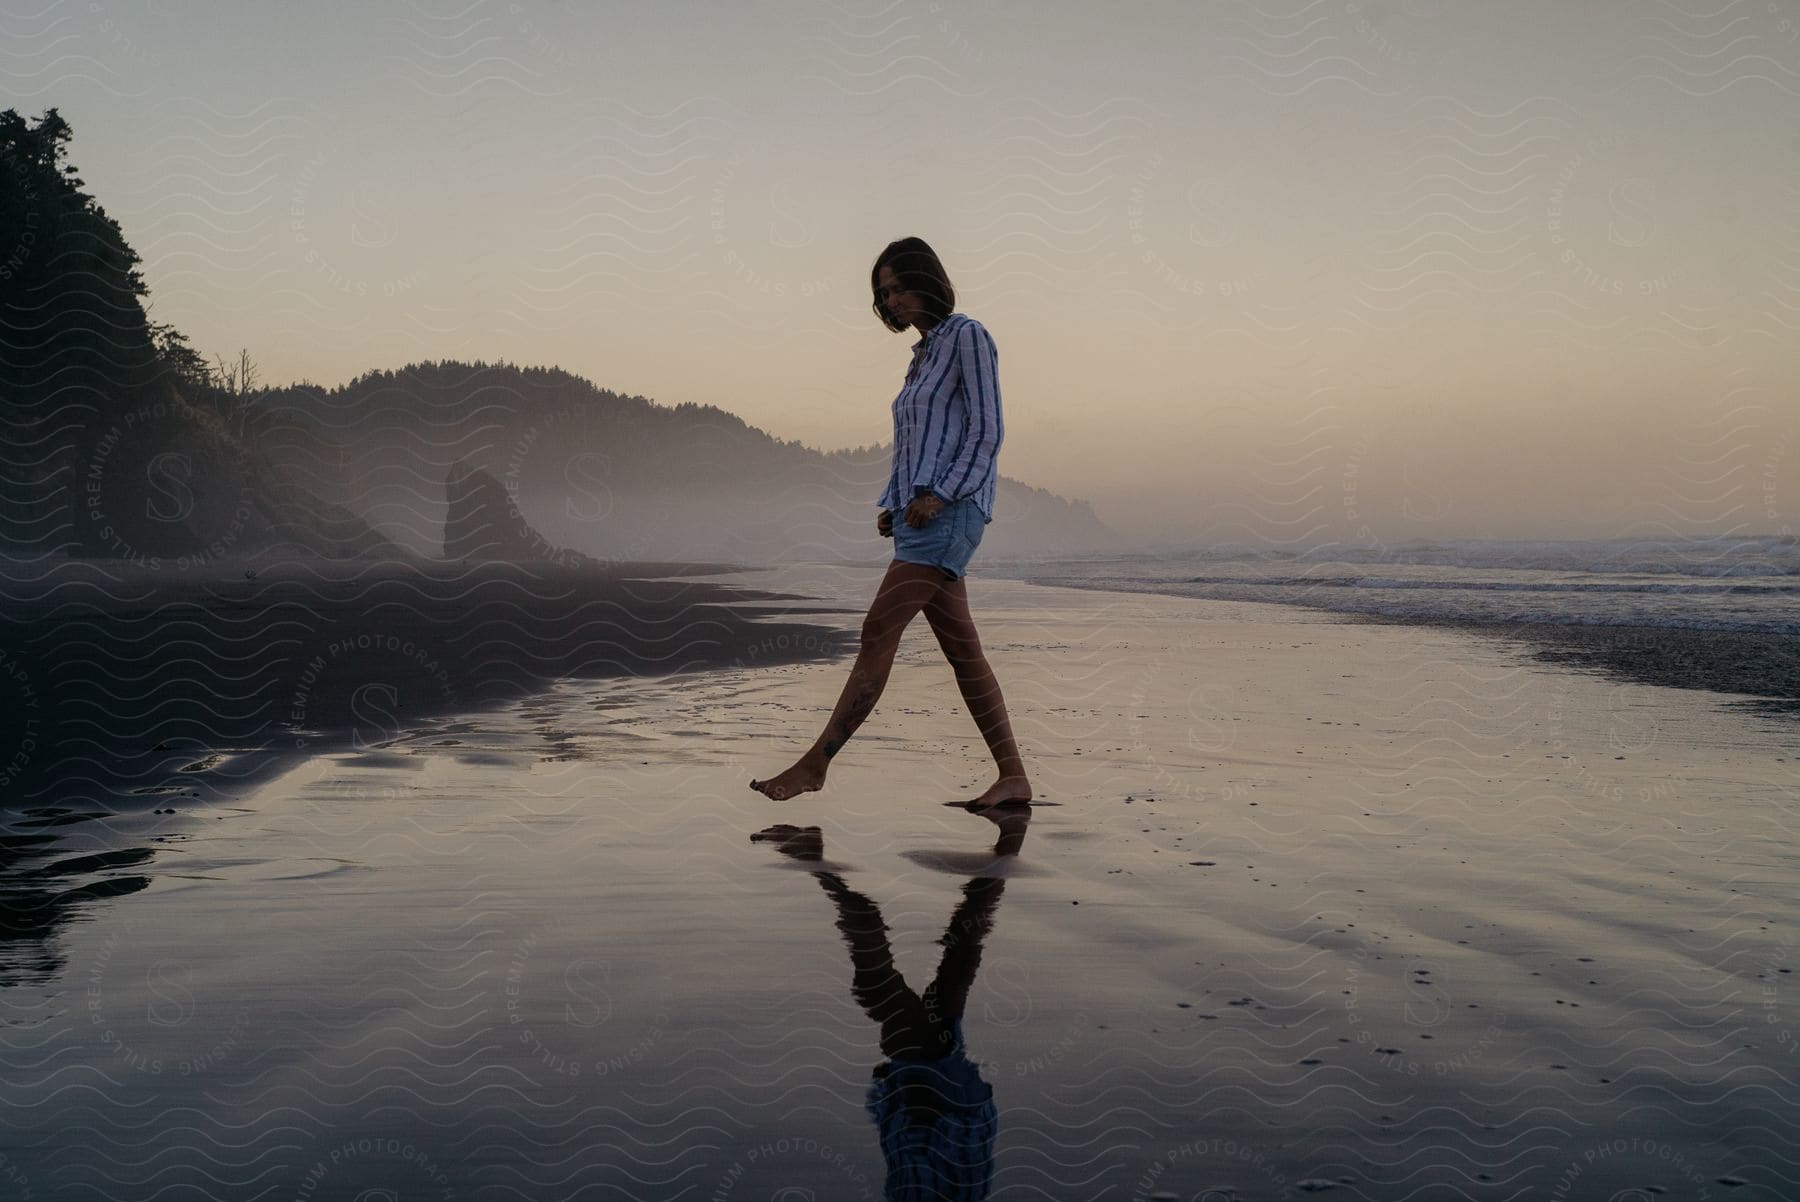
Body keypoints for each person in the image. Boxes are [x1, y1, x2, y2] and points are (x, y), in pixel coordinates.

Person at [750, 237, 1031, 807]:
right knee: (964, 652)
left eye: (900, 287)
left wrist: (941, 495)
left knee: (877, 631)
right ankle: (1013, 777)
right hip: (918, 515)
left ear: (929, 280)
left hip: (950, 514)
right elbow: (920, 440)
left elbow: (987, 431)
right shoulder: (922, 356)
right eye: (885, 293)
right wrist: (895, 501)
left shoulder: (968, 336)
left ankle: (816, 765)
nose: (893, 301)